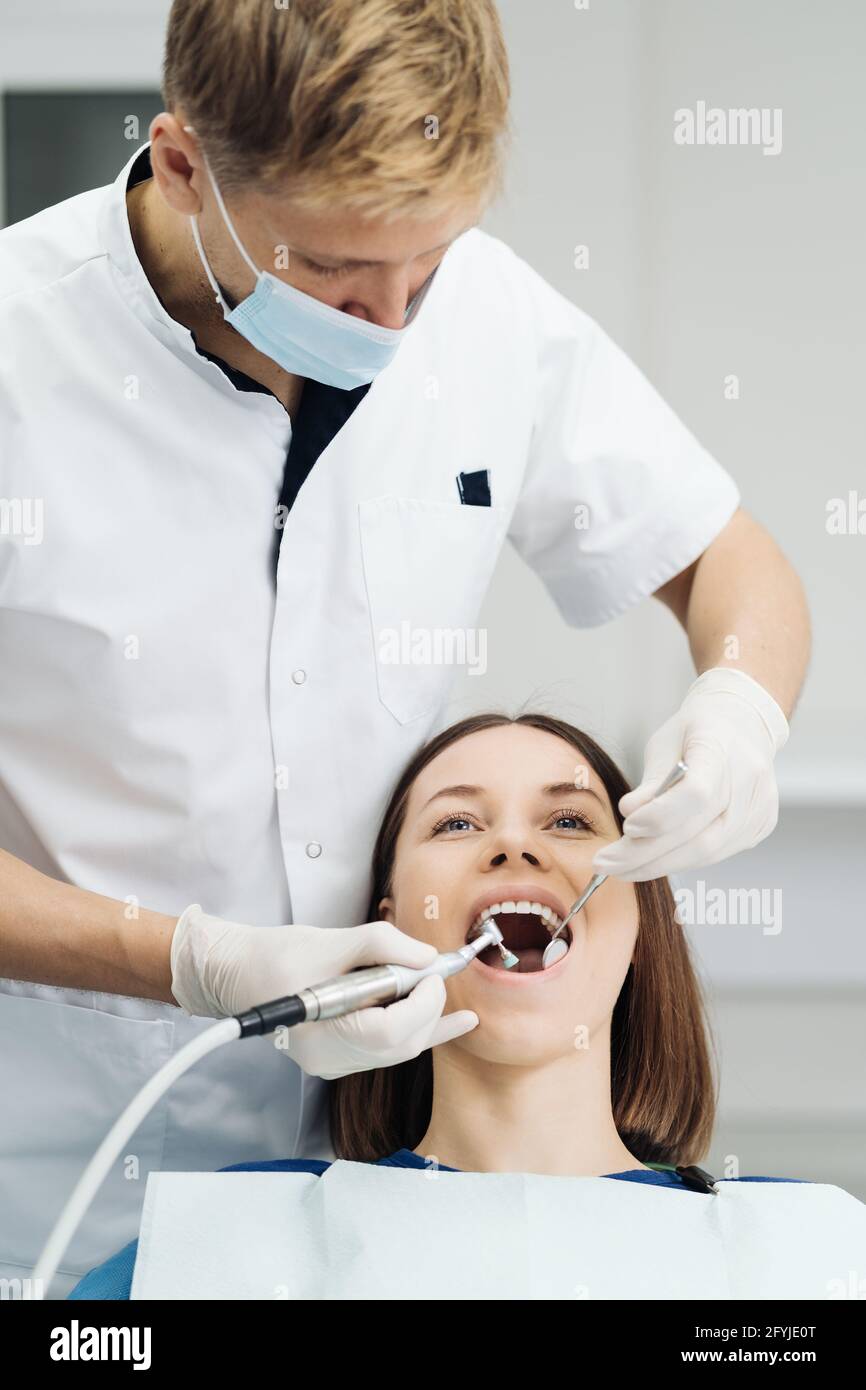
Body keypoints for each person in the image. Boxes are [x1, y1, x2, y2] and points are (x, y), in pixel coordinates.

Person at [0, 0, 809, 1291]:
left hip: (369, 1184)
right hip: (50, 1175)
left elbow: (731, 563)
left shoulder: (485, 318)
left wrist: (740, 712)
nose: (389, 325)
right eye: (332, 274)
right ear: (182, 164)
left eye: (425, 269)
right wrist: (195, 963)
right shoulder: (16, 359)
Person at [69, 712, 820, 1300]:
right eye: (457, 823)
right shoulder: (214, 1247)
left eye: (569, 821)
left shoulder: (808, 1248)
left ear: (640, 931)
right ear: (387, 928)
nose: (513, 846)